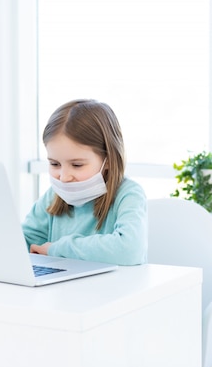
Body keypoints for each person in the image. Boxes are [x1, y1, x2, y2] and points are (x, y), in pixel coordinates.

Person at [22, 99, 147, 265]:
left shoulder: (128, 194)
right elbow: (26, 243)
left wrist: (58, 249)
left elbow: (129, 250)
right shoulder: (53, 196)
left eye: (77, 165)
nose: (64, 177)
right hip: (62, 288)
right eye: (55, 164)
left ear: (108, 159)